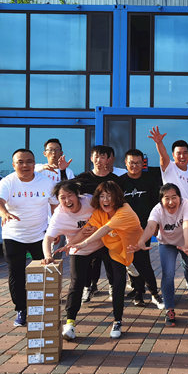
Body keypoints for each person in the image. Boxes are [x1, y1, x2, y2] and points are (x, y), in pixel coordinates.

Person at [66, 181, 142, 339]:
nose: (105, 200)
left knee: (126, 279)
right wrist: (70, 244)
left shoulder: (125, 210)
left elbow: (105, 228)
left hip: (131, 247)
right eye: (102, 196)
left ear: (117, 197)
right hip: (110, 248)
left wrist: (84, 243)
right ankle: (71, 322)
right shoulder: (99, 212)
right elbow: (87, 229)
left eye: (109, 196)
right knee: (108, 279)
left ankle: (117, 320)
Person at [0, 149, 57, 327]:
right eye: (20, 162)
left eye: (29, 161)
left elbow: (55, 206)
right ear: (13, 165)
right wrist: (4, 213)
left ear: (34, 164)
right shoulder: (7, 182)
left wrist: (55, 230)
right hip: (13, 235)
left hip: (40, 235)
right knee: (16, 274)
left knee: (43, 273)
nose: (25, 165)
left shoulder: (46, 182)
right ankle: (21, 309)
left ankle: (40, 307)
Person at [41, 180, 105, 340]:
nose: (67, 200)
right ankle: (70, 323)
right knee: (76, 283)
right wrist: (48, 255)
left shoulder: (89, 201)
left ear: (78, 195)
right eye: (62, 197)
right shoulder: (59, 216)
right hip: (79, 249)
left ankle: (118, 320)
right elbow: (47, 238)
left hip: (103, 244)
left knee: (115, 277)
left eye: (70, 195)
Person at [129, 183, 188, 327]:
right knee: (168, 273)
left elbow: (187, 225)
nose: (171, 202)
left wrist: (187, 245)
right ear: (161, 200)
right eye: (167, 198)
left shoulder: (187, 205)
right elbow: (151, 226)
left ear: (180, 198)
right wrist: (141, 241)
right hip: (166, 243)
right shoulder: (157, 210)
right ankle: (169, 308)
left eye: (174, 197)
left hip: (186, 239)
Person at [148, 126, 188, 298]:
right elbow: (163, 156)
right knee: (168, 269)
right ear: (174, 155)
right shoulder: (169, 168)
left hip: (187, 221)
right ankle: (169, 299)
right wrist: (159, 143)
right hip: (169, 222)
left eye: (185, 153)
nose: (182, 156)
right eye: (178, 153)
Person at [117, 149, 164, 309]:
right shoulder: (120, 182)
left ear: (142, 164)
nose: (134, 166)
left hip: (145, 228)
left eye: (138, 163)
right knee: (131, 261)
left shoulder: (150, 180)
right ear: (125, 163)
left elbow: (157, 205)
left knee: (143, 261)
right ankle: (138, 292)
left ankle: (154, 293)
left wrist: (156, 225)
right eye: (131, 163)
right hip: (125, 229)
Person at [74, 145, 120, 302]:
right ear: (91, 158)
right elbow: (67, 191)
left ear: (108, 159)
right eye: (96, 156)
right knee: (90, 260)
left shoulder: (114, 180)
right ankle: (88, 287)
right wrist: (62, 171)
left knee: (110, 258)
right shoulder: (82, 178)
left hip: (109, 226)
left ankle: (112, 286)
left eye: (102, 157)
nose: (99, 160)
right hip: (90, 226)